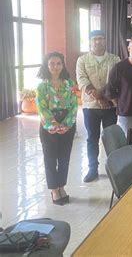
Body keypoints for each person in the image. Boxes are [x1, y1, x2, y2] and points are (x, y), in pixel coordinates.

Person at [76, 30, 120, 183]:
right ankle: (92, 169)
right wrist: (98, 98)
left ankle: (115, 168)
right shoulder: (82, 60)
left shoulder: (115, 59)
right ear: (90, 42)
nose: (98, 42)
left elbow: (115, 81)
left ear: (105, 40)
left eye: (101, 39)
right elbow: (82, 80)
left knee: (111, 138)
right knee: (92, 138)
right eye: (95, 39)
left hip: (109, 106)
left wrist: (103, 97)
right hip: (90, 107)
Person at [36, 52, 78, 205]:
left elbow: (74, 105)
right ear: (47, 66)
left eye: (58, 63)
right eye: (52, 63)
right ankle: (54, 190)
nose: (55, 66)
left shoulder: (69, 84)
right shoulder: (42, 86)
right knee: (50, 159)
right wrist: (53, 125)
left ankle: (61, 186)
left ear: (62, 65)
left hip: (68, 123)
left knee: (64, 159)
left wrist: (66, 124)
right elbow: (42, 108)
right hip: (48, 127)